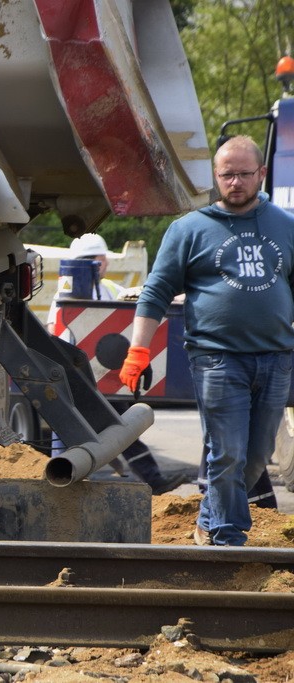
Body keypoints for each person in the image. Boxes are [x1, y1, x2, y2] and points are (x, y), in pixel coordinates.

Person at [120, 135, 294, 546]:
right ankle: (226, 538)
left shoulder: (285, 227)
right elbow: (156, 291)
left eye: (244, 174)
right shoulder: (190, 229)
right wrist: (138, 350)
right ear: (215, 177)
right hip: (217, 359)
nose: (235, 182)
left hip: (275, 358)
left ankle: (208, 517)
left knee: (254, 458)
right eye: (226, 175)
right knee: (227, 452)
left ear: (262, 174)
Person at [47, 234, 186, 495]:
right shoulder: (68, 294)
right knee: (80, 425)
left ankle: (152, 479)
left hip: (100, 372)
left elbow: (124, 305)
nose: (105, 264)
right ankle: (60, 481)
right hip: (77, 371)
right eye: (102, 259)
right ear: (95, 262)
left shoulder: (107, 287)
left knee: (116, 426)